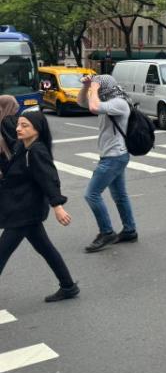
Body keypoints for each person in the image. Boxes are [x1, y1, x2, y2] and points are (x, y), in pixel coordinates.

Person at [0, 110, 79, 302]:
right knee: (46, 248)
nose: (19, 128)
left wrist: (57, 205)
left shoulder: (37, 151)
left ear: (37, 129)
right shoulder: (23, 146)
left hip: (23, 211)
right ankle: (68, 286)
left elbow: (49, 179)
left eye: (25, 125)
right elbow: (15, 172)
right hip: (22, 208)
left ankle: (68, 286)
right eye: (19, 125)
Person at [77, 74, 138, 253]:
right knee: (120, 196)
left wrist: (94, 87)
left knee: (92, 194)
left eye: (98, 86)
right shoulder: (107, 100)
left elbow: (94, 106)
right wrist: (87, 86)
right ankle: (129, 230)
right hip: (113, 155)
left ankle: (106, 232)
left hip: (114, 157)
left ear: (105, 88)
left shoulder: (119, 102)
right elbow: (83, 103)